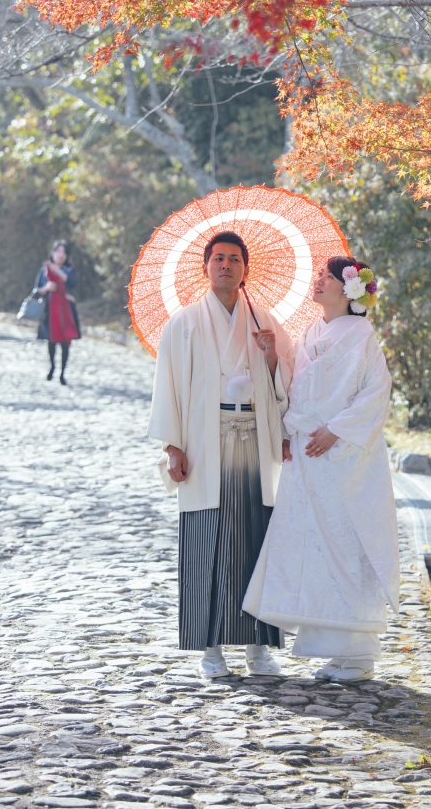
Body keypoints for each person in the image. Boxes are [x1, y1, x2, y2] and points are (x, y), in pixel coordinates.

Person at [244, 255, 399, 683]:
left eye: (327, 277)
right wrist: (288, 423)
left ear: (349, 290)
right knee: (314, 548)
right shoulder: (312, 331)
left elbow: (375, 391)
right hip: (309, 453)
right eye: (319, 276)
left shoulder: (361, 334)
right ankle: (336, 649)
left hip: (344, 457)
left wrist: (337, 430)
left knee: (347, 543)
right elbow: (296, 388)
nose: (318, 282)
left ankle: (359, 655)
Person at [147, 230, 294, 679]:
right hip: (205, 443)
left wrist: (271, 358)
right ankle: (210, 649)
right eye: (218, 258)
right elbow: (167, 385)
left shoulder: (264, 320)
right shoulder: (185, 323)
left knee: (255, 538)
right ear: (206, 267)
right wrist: (174, 446)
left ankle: (258, 648)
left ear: (245, 268)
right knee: (206, 541)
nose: (226, 265)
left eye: (234, 258)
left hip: (252, 439)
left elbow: (286, 382)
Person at [36, 240, 80, 385]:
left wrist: (58, 273)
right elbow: (37, 290)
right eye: (58, 251)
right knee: (51, 340)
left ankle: (62, 372)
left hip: (66, 311)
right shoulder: (44, 271)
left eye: (64, 252)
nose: (60, 255)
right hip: (50, 310)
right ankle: (52, 367)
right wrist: (46, 288)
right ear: (53, 253)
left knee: (65, 342)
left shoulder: (69, 271)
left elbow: (73, 284)